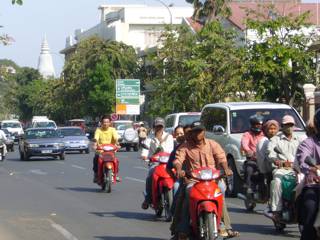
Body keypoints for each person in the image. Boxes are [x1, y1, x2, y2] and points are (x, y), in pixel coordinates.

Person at [173, 122, 233, 239]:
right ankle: (183, 228)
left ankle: (225, 226)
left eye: (200, 131)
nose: (197, 134)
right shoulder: (185, 146)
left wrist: (226, 169)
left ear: (204, 132)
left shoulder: (213, 144)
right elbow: (178, 160)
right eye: (195, 131)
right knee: (188, 193)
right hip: (194, 181)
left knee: (220, 190)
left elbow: (221, 158)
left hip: (213, 180)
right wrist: (179, 169)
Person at [267, 115, 302, 221]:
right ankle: (276, 211)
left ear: (294, 126)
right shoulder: (275, 140)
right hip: (281, 169)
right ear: (282, 126)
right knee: (276, 182)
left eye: (291, 125)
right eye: (287, 125)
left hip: (297, 169)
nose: (289, 127)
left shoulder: (299, 140)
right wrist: (278, 162)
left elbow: (304, 154)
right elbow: (270, 154)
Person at [295, 110, 320, 240]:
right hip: (315, 186)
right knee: (310, 208)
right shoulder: (308, 143)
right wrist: (312, 167)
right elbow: (303, 158)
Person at [141, 117, 174, 210]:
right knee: (150, 176)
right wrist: (144, 155)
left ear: (163, 127)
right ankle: (148, 198)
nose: (159, 128)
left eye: (161, 126)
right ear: (154, 127)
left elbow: (170, 150)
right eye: (157, 126)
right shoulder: (150, 138)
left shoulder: (169, 137)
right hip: (155, 163)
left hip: (167, 163)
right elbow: (145, 148)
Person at [241, 115, 265, 193]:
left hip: (265, 160)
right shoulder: (247, 134)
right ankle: (248, 186)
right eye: (257, 124)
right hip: (253, 159)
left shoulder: (265, 134)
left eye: (260, 124)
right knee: (249, 169)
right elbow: (244, 144)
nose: (259, 126)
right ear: (252, 125)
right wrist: (248, 151)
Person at [92, 115, 119, 183]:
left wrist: (118, 143)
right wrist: (95, 144)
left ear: (110, 123)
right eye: (104, 122)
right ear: (101, 123)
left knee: (116, 160)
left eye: (107, 122)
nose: (105, 123)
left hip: (111, 150)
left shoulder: (112, 130)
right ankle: (96, 174)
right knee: (96, 159)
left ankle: (116, 174)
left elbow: (116, 138)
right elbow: (96, 138)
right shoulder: (98, 130)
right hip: (100, 150)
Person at [256, 120, 280, 187]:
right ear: (266, 130)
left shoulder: (279, 139)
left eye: (274, 129)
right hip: (268, 169)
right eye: (270, 129)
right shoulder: (264, 141)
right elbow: (263, 159)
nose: (273, 131)